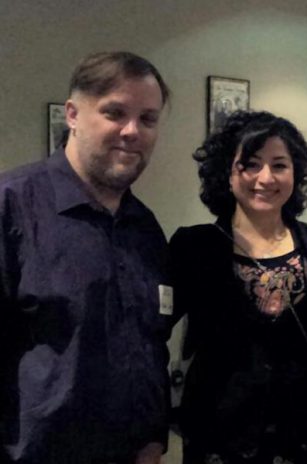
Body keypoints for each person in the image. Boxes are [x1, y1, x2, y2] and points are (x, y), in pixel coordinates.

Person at [0, 51, 171, 463]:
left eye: (148, 119)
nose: (132, 131)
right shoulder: (12, 207)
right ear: (72, 115)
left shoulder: (145, 228)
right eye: (115, 113)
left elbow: (151, 347)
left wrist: (152, 440)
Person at [170, 110, 307, 464]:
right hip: (219, 439)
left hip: (305, 438)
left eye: (279, 165)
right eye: (251, 164)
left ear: (296, 173)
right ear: (228, 172)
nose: (265, 178)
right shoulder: (194, 247)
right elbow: (148, 332)